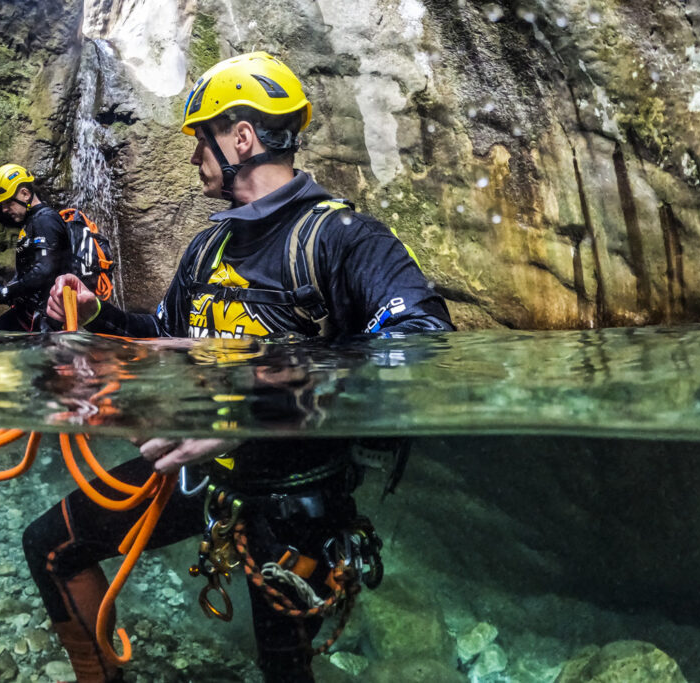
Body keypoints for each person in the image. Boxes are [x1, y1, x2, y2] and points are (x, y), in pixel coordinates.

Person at [23, 52, 454, 682]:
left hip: (291, 502)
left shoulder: (345, 240)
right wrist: (99, 318)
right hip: (204, 474)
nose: (195, 156)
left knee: (283, 671)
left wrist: (259, 398)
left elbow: (421, 344)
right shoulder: (208, 246)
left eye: (202, 140)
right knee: (51, 546)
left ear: (241, 138)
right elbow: (168, 334)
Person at [0, 163, 69, 331]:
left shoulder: (45, 221)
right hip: (28, 311)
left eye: (8, 203)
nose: (4, 209)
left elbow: (44, 270)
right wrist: (2, 292)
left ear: (25, 194)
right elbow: (30, 273)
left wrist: (6, 292)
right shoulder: (33, 222)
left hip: (43, 317)